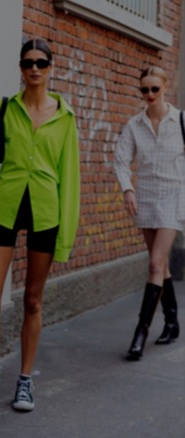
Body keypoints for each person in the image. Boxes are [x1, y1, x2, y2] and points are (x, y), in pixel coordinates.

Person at [0, 38, 80, 412]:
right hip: (4, 208)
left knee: (32, 300)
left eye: (41, 63)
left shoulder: (64, 117)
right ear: (20, 67)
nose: (34, 68)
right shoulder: (3, 109)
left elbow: (70, 180)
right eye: (28, 62)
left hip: (46, 211)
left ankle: (25, 380)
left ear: (50, 68)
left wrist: (65, 237)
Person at [114, 66, 183, 360]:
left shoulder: (180, 120)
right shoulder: (134, 125)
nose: (150, 95)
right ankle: (172, 321)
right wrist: (128, 189)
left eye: (155, 89)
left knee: (155, 262)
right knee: (160, 265)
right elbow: (120, 160)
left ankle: (140, 333)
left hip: (174, 196)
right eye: (145, 90)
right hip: (146, 198)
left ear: (165, 87)